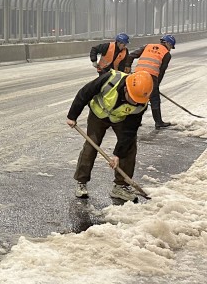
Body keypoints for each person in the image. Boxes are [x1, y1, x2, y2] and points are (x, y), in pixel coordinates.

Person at [66, 69, 154, 201]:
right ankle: (81, 182)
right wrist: (72, 116)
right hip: (98, 115)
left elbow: (129, 131)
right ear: (126, 88)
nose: (135, 103)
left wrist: (118, 154)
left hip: (120, 119)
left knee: (129, 147)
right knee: (91, 145)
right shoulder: (111, 79)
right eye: (133, 98)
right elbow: (85, 93)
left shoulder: (141, 103)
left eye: (137, 100)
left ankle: (120, 186)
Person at [128, 34, 175, 129]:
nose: (170, 49)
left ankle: (134, 121)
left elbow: (131, 55)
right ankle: (158, 122)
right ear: (168, 43)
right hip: (151, 76)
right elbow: (161, 71)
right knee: (154, 99)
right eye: (171, 46)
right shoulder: (166, 54)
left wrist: (127, 66)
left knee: (137, 97)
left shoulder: (147, 46)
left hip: (138, 75)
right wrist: (156, 85)